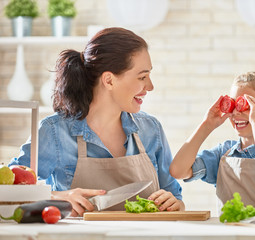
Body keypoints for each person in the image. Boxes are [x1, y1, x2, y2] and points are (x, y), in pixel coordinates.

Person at [9, 27, 184, 216]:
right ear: (109, 80)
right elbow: (9, 190)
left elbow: (177, 200)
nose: (150, 86)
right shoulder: (54, 131)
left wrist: (174, 203)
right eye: (142, 77)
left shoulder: (151, 130)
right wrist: (56, 197)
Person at [170, 72, 255, 212]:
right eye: (233, 105)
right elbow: (178, 171)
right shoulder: (223, 153)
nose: (236, 113)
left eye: (246, 105)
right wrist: (207, 124)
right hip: (231, 232)